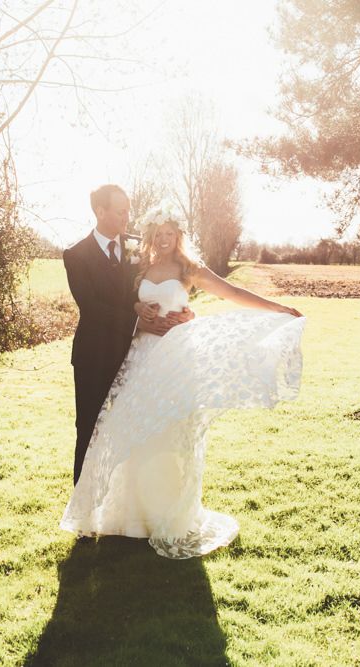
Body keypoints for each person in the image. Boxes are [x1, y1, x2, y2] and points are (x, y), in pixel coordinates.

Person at [60, 200, 306, 559]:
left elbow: (232, 293)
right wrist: (135, 310)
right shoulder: (139, 265)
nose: (163, 240)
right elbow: (114, 299)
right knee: (134, 432)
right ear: (150, 236)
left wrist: (277, 307)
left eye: (169, 234)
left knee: (171, 437)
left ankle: (167, 517)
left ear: (179, 235)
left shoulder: (190, 268)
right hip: (140, 358)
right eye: (157, 234)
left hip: (175, 357)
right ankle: (130, 519)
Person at [63, 185, 193, 486]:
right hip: (94, 357)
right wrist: (139, 323)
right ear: (100, 212)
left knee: (137, 428)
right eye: (121, 211)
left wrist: (185, 312)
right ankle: (82, 513)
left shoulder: (139, 248)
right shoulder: (76, 255)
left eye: (128, 210)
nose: (127, 216)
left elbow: (167, 283)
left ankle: (128, 503)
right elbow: (92, 306)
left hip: (137, 358)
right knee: (90, 428)